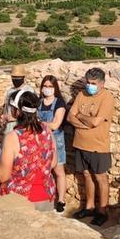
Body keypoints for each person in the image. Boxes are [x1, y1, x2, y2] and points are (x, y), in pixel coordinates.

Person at [67, 67, 115, 226]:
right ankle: (89, 206)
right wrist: (85, 121)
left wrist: (80, 117)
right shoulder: (82, 94)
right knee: (86, 175)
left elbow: (96, 122)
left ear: (101, 83)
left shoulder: (107, 98)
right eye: (88, 82)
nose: (89, 86)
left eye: (93, 83)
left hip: (98, 145)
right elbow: (70, 116)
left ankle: (102, 210)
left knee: (100, 177)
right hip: (80, 143)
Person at [0, 90, 57, 211]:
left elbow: (3, 177)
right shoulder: (47, 130)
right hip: (46, 195)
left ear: (17, 111)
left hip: (20, 200)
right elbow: (53, 163)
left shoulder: (13, 137)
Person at [38, 75, 68, 213]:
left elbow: (56, 124)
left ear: (55, 88)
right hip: (41, 140)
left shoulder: (59, 103)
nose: (47, 89)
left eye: (50, 86)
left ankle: (61, 200)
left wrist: (39, 124)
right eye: (45, 86)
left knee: (58, 171)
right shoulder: (38, 102)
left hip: (55, 140)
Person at [2, 65, 34, 135]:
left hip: (22, 126)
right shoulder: (10, 91)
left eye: (18, 77)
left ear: (23, 77)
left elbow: (30, 113)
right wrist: (4, 117)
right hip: (9, 126)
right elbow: (6, 106)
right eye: (14, 77)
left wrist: (14, 118)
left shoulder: (29, 91)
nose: (16, 79)